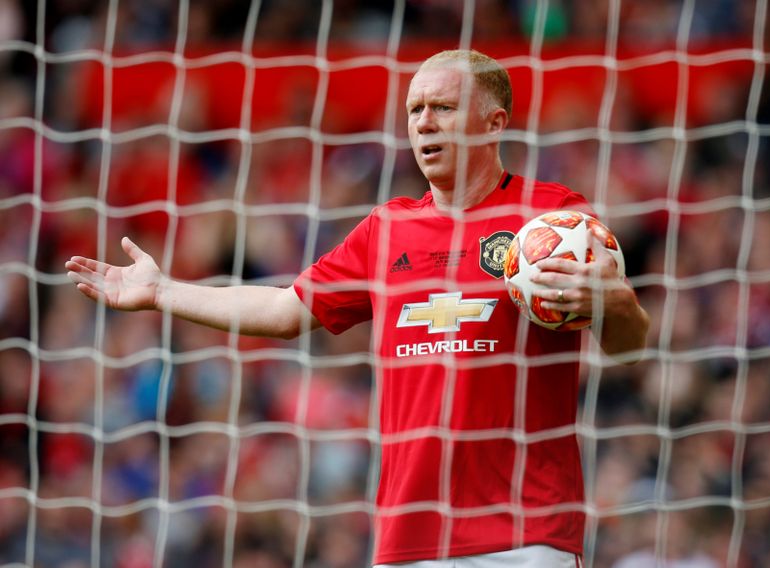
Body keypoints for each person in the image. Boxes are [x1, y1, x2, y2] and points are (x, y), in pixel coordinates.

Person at [65, 49, 649, 567]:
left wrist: (615, 300)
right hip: (410, 537)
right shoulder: (388, 228)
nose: (423, 123)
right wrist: (163, 291)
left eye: (442, 108)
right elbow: (285, 309)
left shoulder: (552, 221)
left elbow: (627, 344)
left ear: (494, 122)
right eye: (415, 109)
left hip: (528, 532)